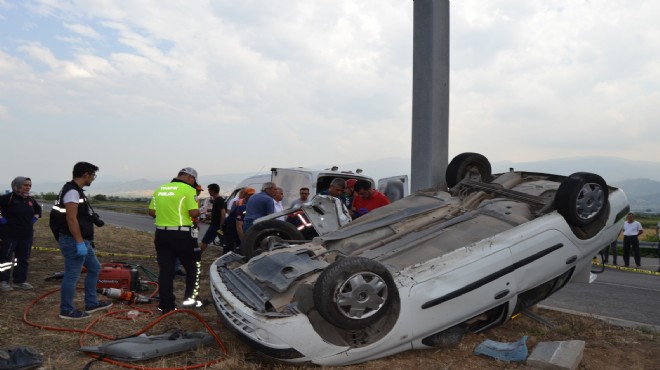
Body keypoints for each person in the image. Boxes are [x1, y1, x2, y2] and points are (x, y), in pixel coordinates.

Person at [49, 162, 112, 319]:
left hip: (83, 240)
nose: (93, 178)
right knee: (72, 274)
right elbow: (71, 219)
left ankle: (91, 303)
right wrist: (79, 242)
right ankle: (67, 310)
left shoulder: (75, 190)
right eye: (93, 175)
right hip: (74, 240)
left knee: (95, 268)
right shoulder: (72, 192)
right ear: (85, 174)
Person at [148, 167, 203, 313]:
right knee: (193, 268)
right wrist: (200, 211)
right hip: (182, 235)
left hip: (161, 234)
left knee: (166, 271)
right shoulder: (188, 189)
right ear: (191, 178)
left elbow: (151, 212)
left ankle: (166, 305)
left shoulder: (160, 189)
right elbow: (193, 212)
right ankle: (190, 300)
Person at [0, 177, 42, 292]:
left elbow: (39, 210)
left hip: (26, 235)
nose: (28, 187)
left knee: (22, 258)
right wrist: (2, 219)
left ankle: (20, 281)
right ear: (17, 185)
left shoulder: (30, 200)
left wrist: (34, 218)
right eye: (25, 185)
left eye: (29, 185)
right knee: (6, 258)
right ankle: (3, 281)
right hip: (10, 234)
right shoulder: (7, 198)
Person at [224, 187, 255, 254]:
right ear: (245, 195)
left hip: (238, 226)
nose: (251, 197)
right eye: (249, 195)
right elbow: (239, 225)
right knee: (230, 248)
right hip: (231, 227)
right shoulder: (241, 205)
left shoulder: (250, 205)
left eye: (253, 195)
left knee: (238, 246)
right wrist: (243, 241)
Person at [199, 183, 226, 252]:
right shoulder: (217, 200)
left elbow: (223, 213)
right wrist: (206, 218)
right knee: (224, 242)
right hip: (217, 225)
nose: (208, 192)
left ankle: (198, 256)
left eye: (209, 190)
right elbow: (216, 213)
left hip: (216, 226)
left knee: (205, 240)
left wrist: (221, 225)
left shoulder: (219, 200)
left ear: (213, 191)